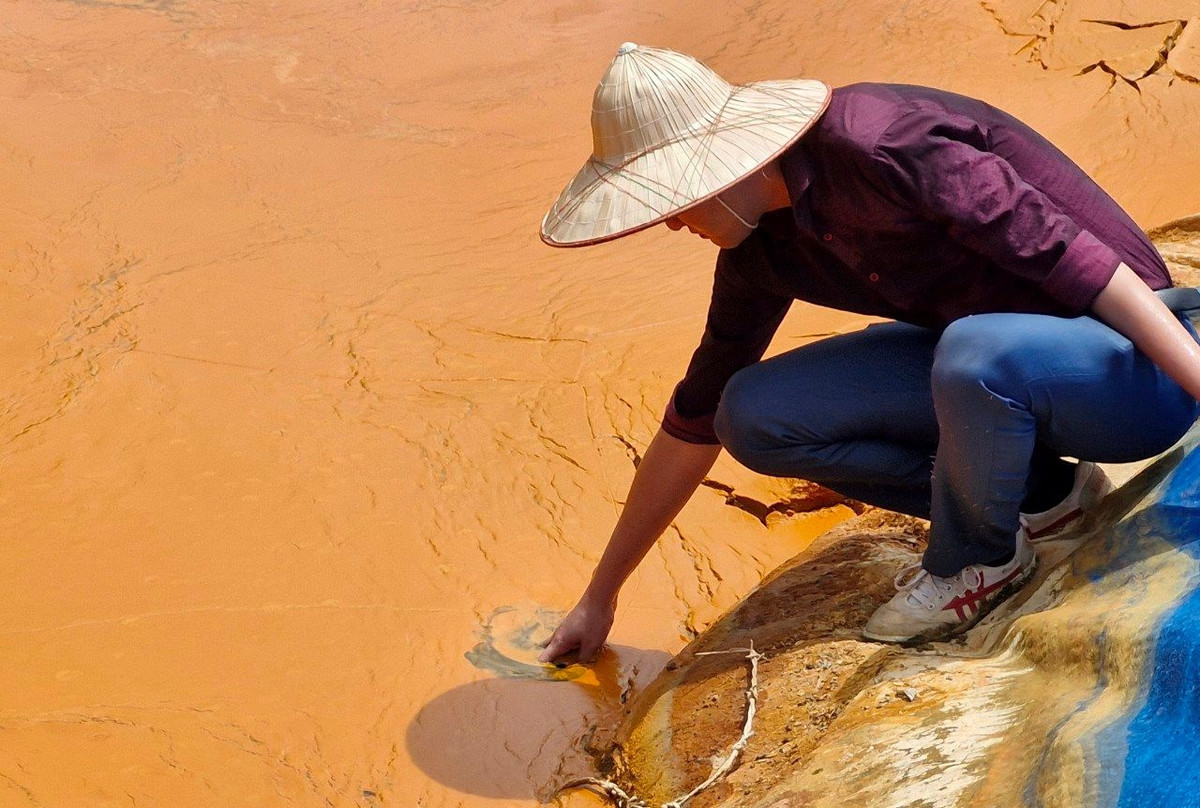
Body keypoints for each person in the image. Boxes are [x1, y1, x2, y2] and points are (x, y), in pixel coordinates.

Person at [536, 43, 1200, 655]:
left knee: (973, 350)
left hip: (1126, 372)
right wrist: (600, 597)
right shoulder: (757, 247)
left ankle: (977, 561)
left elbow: (1084, 265)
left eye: (674, 203)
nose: (676, 223)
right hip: (991, 379)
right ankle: (1047, 496)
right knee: (751, 413)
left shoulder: (881, 143)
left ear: (721, 165)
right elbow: (693, 418)